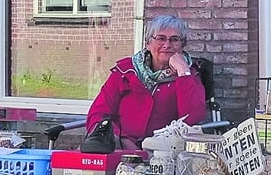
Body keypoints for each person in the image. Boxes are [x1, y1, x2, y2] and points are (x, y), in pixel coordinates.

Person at [85, 14, 208, 150]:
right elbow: (97, 114)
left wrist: (183, 71)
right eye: (160, 38)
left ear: (182, 45)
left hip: (164, 151)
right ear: (148, 44)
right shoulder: (125, 72)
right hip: (118, 147)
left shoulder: (190, 76)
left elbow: (192, 118)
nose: (167, 45)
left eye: (175, 40)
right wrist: (121, 139)